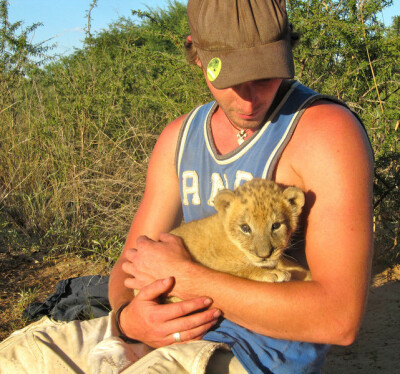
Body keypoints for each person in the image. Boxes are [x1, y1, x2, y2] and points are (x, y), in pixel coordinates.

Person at [0, 1, 373, 373]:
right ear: (196, 53)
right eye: (230, 78)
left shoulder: (324, 133)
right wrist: (131, 319)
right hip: (157, 329)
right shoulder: (179, 138)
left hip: (251, 347)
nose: (247, 98)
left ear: (287, 52)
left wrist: (193, 279)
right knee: (16, 358)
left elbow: (339, 319)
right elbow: (127, 272)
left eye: (263, 75)